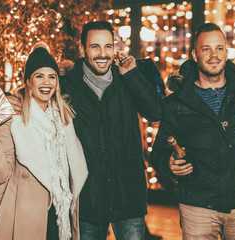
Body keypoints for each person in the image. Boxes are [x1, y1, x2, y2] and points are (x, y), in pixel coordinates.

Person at [150, 23, 235, 240]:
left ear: (227, 52)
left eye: (219, 48)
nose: (213, 55)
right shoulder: (177, 103)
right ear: (195, 54)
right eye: (206, 49)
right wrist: (168, 163)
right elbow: (159, 151)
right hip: (197, 205)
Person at [59, 21, 162, 239]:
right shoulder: (68, 85)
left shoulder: (127, 78)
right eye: (95, 46)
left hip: (128, 195)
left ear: (114, 49)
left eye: (108, 46)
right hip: (88, 198)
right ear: (82, 49)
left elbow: (156, 112)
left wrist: (132, 75)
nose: (102, 53)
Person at [0, 45, 88, 240]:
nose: (46, 82)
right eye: (39, 76)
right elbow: (2, 176)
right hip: (24, 213)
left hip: (59, 216)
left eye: (52, 76)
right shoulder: (14, 117)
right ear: (28, 81)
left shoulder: (64, 118)